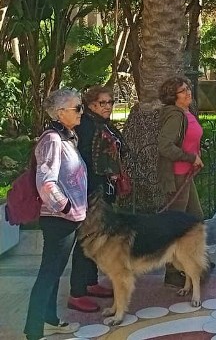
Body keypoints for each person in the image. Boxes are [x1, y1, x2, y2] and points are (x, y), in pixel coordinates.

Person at [24, 88, 87, 340]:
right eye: (77, 108)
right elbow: (47, 181)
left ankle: (49, 319)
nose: (81, 112)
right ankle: (33, 330)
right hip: (59, 218)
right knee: (48, 273)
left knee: (54, 272)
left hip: (69, 218)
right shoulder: (52, 139)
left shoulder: (66, 136)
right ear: (60, 113)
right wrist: (66, 207)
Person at [67, 86, 126, 312]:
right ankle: (77, 291)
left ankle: (90, 282)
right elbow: (83, 161)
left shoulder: (102, 125)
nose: (108, 106)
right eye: (103, 103)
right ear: (91, 104)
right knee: (87, 240)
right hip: (91, 192)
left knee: (98, 237)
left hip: (103, 190)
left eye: (110, 102)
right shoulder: (88, 126)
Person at [158, 76, 205, 287]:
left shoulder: (186, 113)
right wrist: (189, 157)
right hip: (176, 175)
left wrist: (196, 155)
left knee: (195, 218)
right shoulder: (175, 116)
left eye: (188, 88)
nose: (188, 93)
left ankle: (192, 261)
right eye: (182, 91)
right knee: (176, 225)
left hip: (186, 174)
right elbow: (165, 146)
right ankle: (172, 270)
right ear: (172, 97)